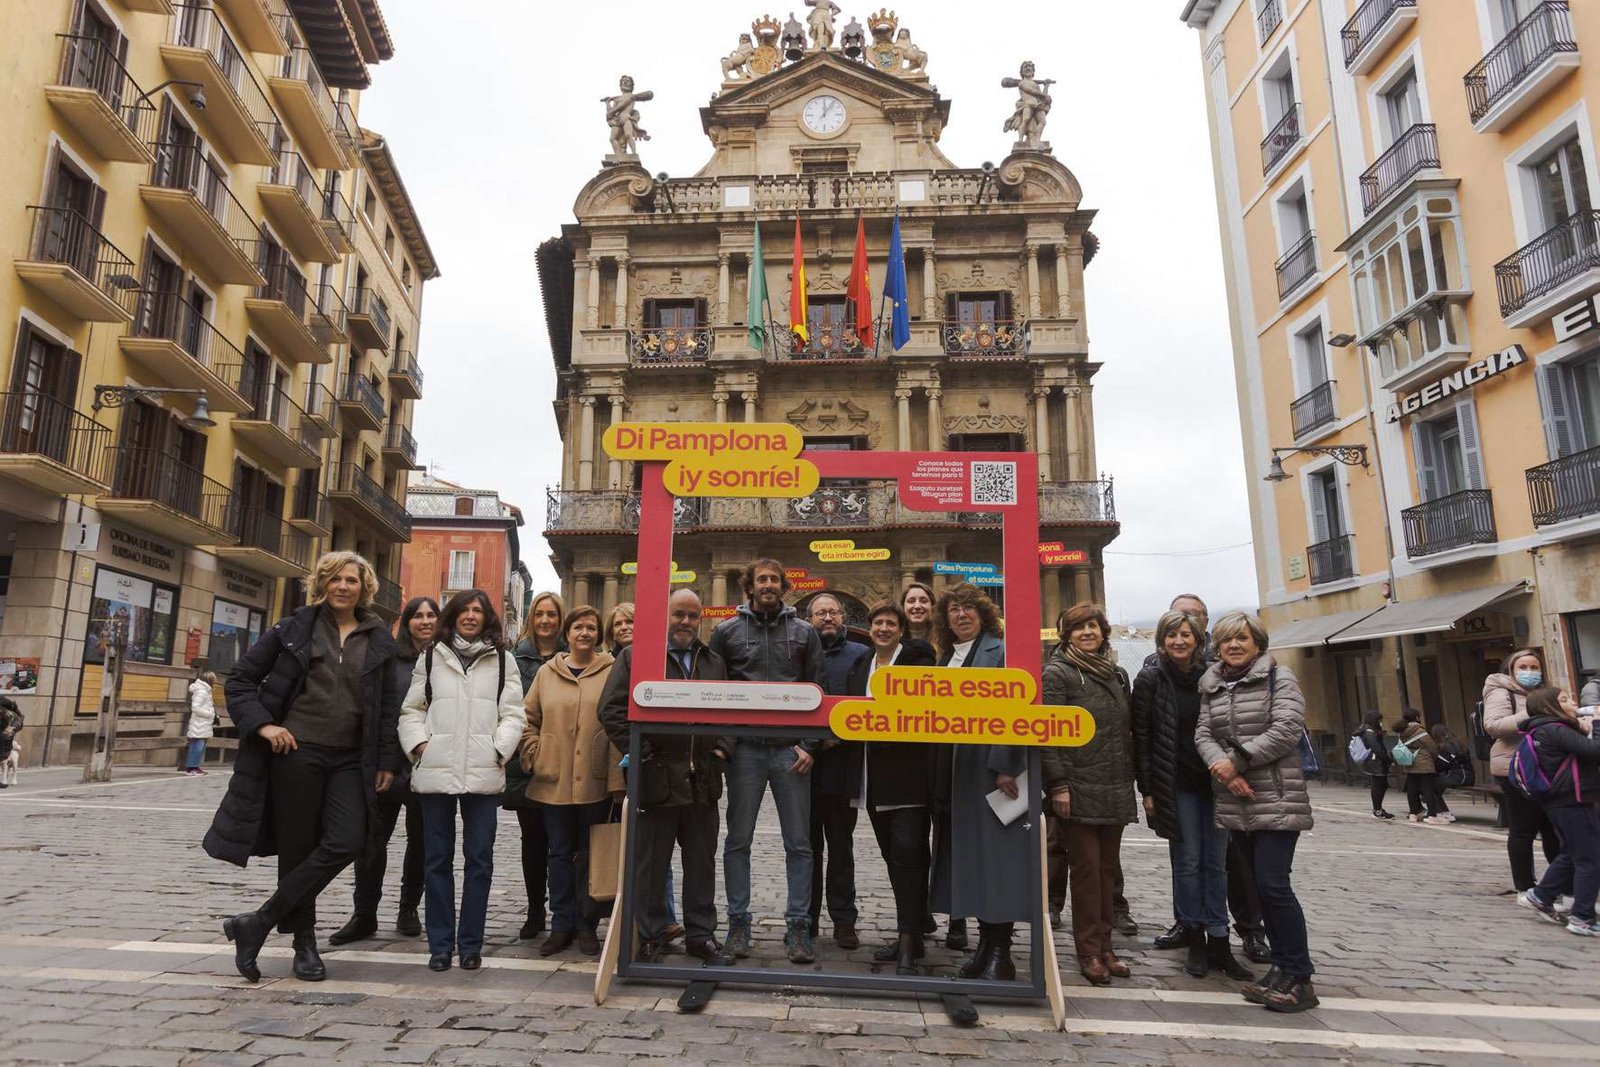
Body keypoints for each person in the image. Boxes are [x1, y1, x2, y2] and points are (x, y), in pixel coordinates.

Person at [207, 551, 404, 984]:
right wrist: (264, 725)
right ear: (322, 584)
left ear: (363, 587)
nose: (342, 586)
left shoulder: (379, 639)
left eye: (351, 580)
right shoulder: (294, 628)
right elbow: (239, 680)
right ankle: (304, 943)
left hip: (353, 758)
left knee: (349, 840)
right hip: (297, 753)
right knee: (297, 850)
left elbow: (389, 707)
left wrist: (388, 759)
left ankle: (257, 922)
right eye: (334, 579)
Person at [599, 589, 735, 964]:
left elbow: (729, 713)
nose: (686, 623)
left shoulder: (713, 662)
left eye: (693, 616)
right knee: (651, 866)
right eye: (679, 615)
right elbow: (611, 710)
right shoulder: (636, 658)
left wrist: (723, 750)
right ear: (665, 616)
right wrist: (641, 752)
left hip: (702, 782)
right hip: (657, 780)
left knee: (701, 865)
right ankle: (651, 934)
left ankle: (701, 936)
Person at [1195, 612, 1317, 1013]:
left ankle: (1299, 976)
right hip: (1237, 798)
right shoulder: (1212, 685)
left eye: (1242, 639)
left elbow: (1287, 728)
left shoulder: (1279, 679)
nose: (1234, 645)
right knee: (1259, 889)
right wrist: (1225, 771)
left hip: (1277, 797)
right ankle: (1280, 970)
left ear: (1257, 643)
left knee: (1274, 886)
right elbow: (1203, 734)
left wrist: (1238, 761)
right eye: (1228, 639)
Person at [401, 590, 525, 972]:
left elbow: (514, 714)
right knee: (436, 860)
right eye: (465, 610)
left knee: (480, 861)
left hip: (484, 772)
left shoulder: (504, 660)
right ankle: (440, 945)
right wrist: (421, 746)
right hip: (437, 769)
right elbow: (411, 709)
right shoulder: (429, 656)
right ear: (453, 616)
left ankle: (470, 944)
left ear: (487, 618)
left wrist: (499, 751)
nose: (471, 616)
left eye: (478, 610)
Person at [711, 558, 826, 964]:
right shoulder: (725, 632)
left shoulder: (804, 632)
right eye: (761, 579)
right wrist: (725, 746)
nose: (768, 585)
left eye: (775, 579)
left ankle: (799, 928)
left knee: (799, 844)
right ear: (750, 585)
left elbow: (820, 690)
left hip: (790, 751)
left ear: (784, 585)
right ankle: (738, 923)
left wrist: (811, 745)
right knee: (737, 840)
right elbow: (714, 691)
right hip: (745, 752)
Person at [1131, 610, 1252, 981]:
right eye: (1172, 635)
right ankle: (1195, 937)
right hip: (1175, 783)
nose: (1179, 641)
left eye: (1185, 635)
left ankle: (1220, 939)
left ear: (1198, 639)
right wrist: (1147, 789)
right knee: (1188, 862)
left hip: (1215, 782)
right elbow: (1142, 736)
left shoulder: (1214, 676)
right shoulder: (1150, 678)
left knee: (1216, 864)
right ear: (1162, 641)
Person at [930, 581, 1026, 999]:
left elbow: (1015, 706)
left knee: (998, 861)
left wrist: (1005, 765)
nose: (961, 615)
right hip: (958, 773)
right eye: (953, 611)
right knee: (972, 860)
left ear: (983, 613)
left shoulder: (1000, 652)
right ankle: (984, 946)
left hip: (991, 773)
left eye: (968, 608)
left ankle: (1002, 953)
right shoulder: (947, 656)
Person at [331, 596, 437, 945]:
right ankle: (364, 914)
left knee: (421, 844)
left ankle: (409, 909)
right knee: (372, 843)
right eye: (417, 615)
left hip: (428, 765)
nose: (425, 621)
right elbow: (380, 712)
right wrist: (380, 761)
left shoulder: (447, 662)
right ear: (406, 622)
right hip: (387, 767)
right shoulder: (390, 661)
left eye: (431, 615)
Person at [1042, 603, 1138, 985]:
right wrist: (1059, 785)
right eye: (1079, 627)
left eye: (1093, 626)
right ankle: (1088, 951)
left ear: (1103, 632)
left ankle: (1106, 946)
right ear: (1066, 634)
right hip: (1077, 786)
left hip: (1113, 784)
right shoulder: (1058, 673)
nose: (1087, 632)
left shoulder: (1116, 674)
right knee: (1085, 872)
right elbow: (1048, 735)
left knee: (1107, 871)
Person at [519, 606, 622, 957]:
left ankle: (587, 924)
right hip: (554, 779)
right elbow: (527, 717)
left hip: (595, 780)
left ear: (598, 634)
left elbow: (618, 719)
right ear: (568, 632)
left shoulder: (610, 670)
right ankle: (561, 923)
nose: (584, 633)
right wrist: (534, 752)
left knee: (591, 856)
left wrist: (616, 776)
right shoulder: (548, 673)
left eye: (591, 628)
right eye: (578, 627)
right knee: (559, 854)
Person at [844, 602, 938, 974]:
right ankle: (910, 934)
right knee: (891, 857)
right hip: (870, 776)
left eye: (890, 624)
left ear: (901, 630)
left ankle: (908, 940)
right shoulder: (860, 664)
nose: (883, 628)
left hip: (908, 777)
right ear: (869, 628)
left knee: (908, 856)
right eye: (878, 623)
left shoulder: (916, 658)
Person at [806, 592, 870, 950]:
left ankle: (844, 919)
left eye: (833, 612)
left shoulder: (861, 655)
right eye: (820, 613)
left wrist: (838, 736)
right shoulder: (799, 650)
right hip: (806, 766)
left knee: (841, 847)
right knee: (807, 848)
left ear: (843, 616)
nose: (827, 618)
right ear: (809, 618)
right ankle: (808, 916)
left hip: (843, 765)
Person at [1515, 688, 1600, 936]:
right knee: (1591, 859)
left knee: (1572, 853)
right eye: (1564, 699)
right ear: (1549, 706)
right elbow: (1595, 751)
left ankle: (1541, 895)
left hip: (1561, 800)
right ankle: (1582, 917)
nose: (1572, 702)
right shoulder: (1554, 729)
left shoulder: (1545, 729)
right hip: (1572, 799)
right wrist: (1597, 722)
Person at [506, 592, 564, 941]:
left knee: (561, 841)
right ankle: (534, 909)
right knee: (532, 840)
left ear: (560, 620)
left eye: (552, 615)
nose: (545, 620)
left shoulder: (571, 656)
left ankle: (562, 911)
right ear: (532, 618)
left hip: (561, 760)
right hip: (525, 761)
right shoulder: (514, 659)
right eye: (540, 614)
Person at [1485, 650, 1562, 894]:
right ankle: (1525, 885)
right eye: (1524, 667)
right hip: (1514, 765)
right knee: (1523, 827)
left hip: (1547, 765)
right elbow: (1494, 726)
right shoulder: (1501, 691)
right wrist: (1532, 714)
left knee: (1552, 825)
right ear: (1511, 668)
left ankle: (1560, 883)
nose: (1530, 672)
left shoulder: (1545, 693)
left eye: (1534, 667)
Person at [1394, 709, 1448, 823]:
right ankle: (1432, 815)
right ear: (1417, 717)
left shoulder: (1402, 731)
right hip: (1424, 763)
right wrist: (1434, 758)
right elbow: (1432, 748)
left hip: (1410, 763)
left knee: (1412, 790)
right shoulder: (1419, 731)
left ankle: (1413, 813)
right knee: (1428, 789)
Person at [1354, 710, 1395, 820]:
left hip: (1374, 762)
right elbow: (1377, 749)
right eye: (1379, 720)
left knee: (1382, 784)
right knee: (1378, 785)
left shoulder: (1367, 730)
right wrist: (1388, 760)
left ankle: (1378, 809)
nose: (1381, 723)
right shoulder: (1369, 732)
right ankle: (1377, 810)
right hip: (1376, 762)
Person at [184, 672, 217, 776]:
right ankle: (191, 768)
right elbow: (195, 707)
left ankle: (195, 767)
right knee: (197, 746)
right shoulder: (202, 692)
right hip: (199, 723)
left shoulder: (205, 691)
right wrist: (210, 715)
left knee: (199, 746)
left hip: (202, 723)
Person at [0, 697, 24, 788]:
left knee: (3, 738)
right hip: (4, 723)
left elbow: (13, 706)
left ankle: (5, 757)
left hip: (13, 722)